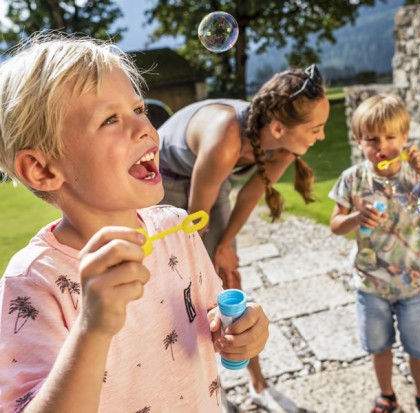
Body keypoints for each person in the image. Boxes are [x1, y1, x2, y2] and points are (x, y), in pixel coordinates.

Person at [0, 33, 269, 413]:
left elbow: (212, 317)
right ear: (42, 169)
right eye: (110, 119)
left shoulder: (177, 231)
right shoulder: (34, 282)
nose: (144, 128)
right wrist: (92, 329)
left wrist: (240, 330)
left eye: (139, 109)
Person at [158, 64, 329, 411]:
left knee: (230, 283)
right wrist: (210, 262)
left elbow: (250, 195)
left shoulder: (283, 145)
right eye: (316, 128)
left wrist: (225, 247)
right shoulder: (225, 136)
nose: (322, 136)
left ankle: (258, 383)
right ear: (279, 128)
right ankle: (205, 390)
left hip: (208, 176)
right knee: (186, 288)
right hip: (164, 178)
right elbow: (195, 226)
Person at [329, 94, 420, 413]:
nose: (381, 146)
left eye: (390, 137)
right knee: (379, 345)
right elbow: (335, 224)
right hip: (371, 284)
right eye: (372, 139)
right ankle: (386, 394)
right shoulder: (353, 178)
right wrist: (355, 218)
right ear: (358, 140)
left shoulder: (416, 175)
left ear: (405, 137)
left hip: (414, 283)